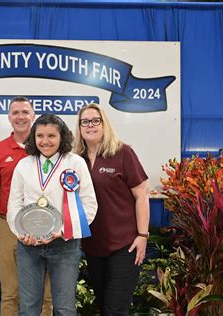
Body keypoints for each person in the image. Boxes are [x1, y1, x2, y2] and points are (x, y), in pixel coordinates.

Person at [7, 114, 98, 315]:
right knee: (28, 308)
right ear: (33, 137)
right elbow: (14, 203)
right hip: (29, 246)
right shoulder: (24, 165)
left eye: (51, 136)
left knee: (64, 308)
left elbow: (89, 204)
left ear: (62, 137)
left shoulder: (75, 163)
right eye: (40, 135)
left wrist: (65, 230)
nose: (45, 141)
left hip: (65, 244)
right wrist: (21, 233)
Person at [74, 103, 150, 316]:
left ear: (104, 123)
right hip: (92, 245)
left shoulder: (122, 152)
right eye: (85, 122)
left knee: (116, 309)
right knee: (104, 306)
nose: (90, 125)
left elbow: (142, 194)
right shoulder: (75, 159)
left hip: (124, 245)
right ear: (79, 127)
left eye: (95, 120)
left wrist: (142, 235)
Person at [0, 97, 53, 315]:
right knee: (10, 293)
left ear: (33, 116)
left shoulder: (47, 147)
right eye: (15, 112)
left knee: (46, 295)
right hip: (7, 225)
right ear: (9, 117)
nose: (20, 116)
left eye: (25, 112)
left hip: (42, 224)